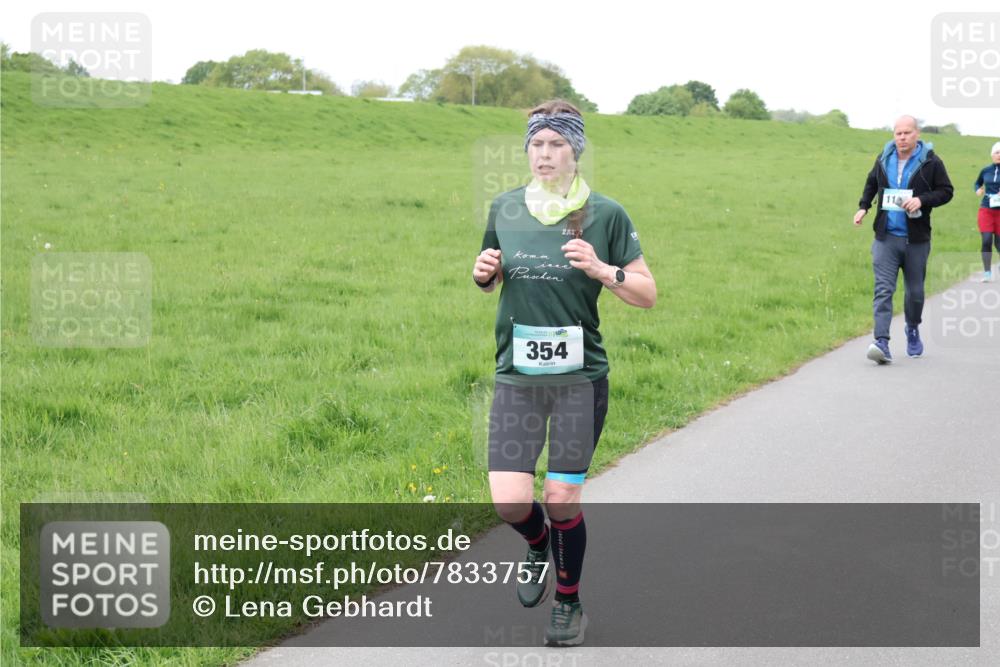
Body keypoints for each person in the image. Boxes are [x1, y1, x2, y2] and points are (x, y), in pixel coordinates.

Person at [472, 99, 656, 646]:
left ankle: (568, 604)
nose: (545, 154)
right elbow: (491, 269)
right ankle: (536, 546)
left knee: (561, 500)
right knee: (509, 502)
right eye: (536, 145)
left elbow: (646, 293)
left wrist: (604, 269)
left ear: (576, 151)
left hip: (579, 381)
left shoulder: (607, 214)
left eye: (556, 144)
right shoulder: (505, 208)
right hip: (517, 379)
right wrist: (484, 275)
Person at [853, 115, 953, 364]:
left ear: (917, 134)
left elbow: (946, 191)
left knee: (915, 293)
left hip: (916, 240)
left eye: (907, 133)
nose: (902, 137)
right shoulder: (884, 158)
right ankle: (882, 343)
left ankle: (912, 328)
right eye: (898, 133)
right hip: (886, 238)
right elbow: (871, 183)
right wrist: (864, 207)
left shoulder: (930, 162)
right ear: (893, 135)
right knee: (883, 290)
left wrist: (922, 200)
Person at [974, 141, 1000, 282]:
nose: (999, 155)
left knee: (999, 243)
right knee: (986, 239)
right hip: (986, 209)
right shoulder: (986, 170)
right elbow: (977, 182)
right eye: (997, 152)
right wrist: (978, 189)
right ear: (992, 155)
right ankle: (987, 272)